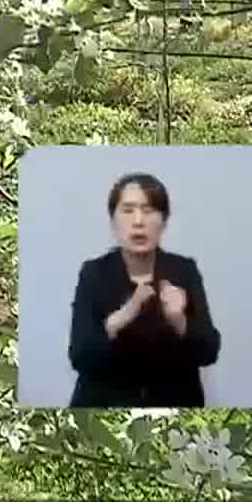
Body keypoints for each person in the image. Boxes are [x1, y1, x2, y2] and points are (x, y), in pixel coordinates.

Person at [67, 172, 221, 407]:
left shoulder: (183, 271)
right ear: (113, 222)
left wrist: (179, 319)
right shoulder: (93, 274)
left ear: (164, 221)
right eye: (128, 210)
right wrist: (125, 314)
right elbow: (80, 356)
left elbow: (209, 351)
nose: (138, 221)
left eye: (148, 211)